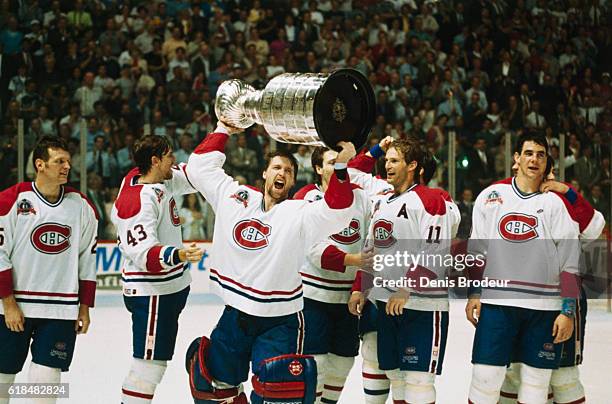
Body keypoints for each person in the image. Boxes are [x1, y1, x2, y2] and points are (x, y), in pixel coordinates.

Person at [184, 122, 357, 403]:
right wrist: (223, 128)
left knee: (278, 394)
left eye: (289, 171)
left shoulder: (299, 212)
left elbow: (338, 212)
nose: (282, 173)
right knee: (214, 387)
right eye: (277, 167)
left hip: (280, 319)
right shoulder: (236, 197)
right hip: (235, 314)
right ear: (265, 173)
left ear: (293, 182)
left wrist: (340, 167)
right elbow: (198, 168)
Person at [466, 133, 582, 404]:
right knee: (485, 379)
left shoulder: (555, 204)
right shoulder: (491, 196)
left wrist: (567, 311)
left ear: (546, 162)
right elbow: (476, 251)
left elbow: (570, 260)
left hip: (544, 309)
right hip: (497, 304)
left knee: (535, 386)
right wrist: (474, 293)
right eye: (529, 153)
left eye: (541, 155)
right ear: (516, 158)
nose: (535, 159)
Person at [348, 136, 460, 404]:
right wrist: (359, 288)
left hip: (422, 305)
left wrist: (406, 287)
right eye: (386, 161)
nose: (387, 165)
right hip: (387, 302)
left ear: (413, 166)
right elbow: (370, 249)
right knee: (396, 375)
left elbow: (435, 250)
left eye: (394, 160)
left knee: (419, 382)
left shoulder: (433, 199)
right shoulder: (382, 199)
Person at [499, 156, 606, 404]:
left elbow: (594, 228)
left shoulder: (562, 199)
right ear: (516, 162)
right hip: (517, 298)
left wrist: (566, 191)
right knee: (515, 372)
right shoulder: (501, 193)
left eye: (544, 163)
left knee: (562, 375)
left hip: (562, 296)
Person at [0, 136, 98, 404]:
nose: (67, 166)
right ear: (40, 164)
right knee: (2, 379)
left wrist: (84, 307)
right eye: (59, 161)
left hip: (60, 309)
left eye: (68, 161)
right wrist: (8, 304)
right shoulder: (10, 200)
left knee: (45, 383)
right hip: (15, 307)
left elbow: (87, 259)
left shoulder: (82, 207)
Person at [111, 135, 203, 404]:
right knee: (148, 367)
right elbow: (145, 255)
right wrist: (179, 254)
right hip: (152, 293)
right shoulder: (136, 200)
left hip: (166, 290)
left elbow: (190, 174)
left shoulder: (148, 178)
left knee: (154, 361)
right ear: (155, 161)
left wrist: (222, 131)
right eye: (169, 156)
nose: (174, 160)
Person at [293, 146, 371, 403]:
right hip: (313, 296)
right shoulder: (307, 197)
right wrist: (353, 259)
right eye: (332, 162)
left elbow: (370, 242)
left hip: (349, 299)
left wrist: (359, 284)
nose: (339, 166)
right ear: (318, 168)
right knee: (316, 363)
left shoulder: (361, 196)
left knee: (342, 362)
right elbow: (312, 248)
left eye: (342, 163)